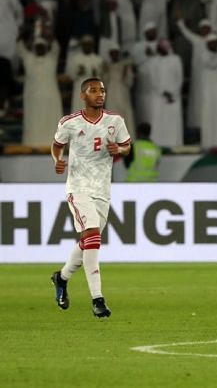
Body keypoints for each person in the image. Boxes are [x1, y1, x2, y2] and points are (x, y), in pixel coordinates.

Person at [50, 77, 131, 318]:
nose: (100, 94)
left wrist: (120, 150)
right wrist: (58, 160)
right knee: (93, 235)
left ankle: (61, 278)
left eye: (103, 90)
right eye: (94, 90)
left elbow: (127, 145)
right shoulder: (70, 123)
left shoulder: (115, 121)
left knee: (88, 241)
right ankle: (98, 299)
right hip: (78, 187)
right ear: (83, 96)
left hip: (103, 189)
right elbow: (56, 145)